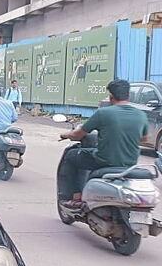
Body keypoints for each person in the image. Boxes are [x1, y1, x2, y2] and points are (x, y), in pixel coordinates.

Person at [59, 79, 148, 208]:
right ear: (129, 96)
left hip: (103, 161)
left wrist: (66, 135)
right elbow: (144, 139)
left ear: (111, 96)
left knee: (71, 156)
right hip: (130, 164)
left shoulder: (103, 113)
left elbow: (78, 135)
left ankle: (74, 198)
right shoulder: (141, 115)